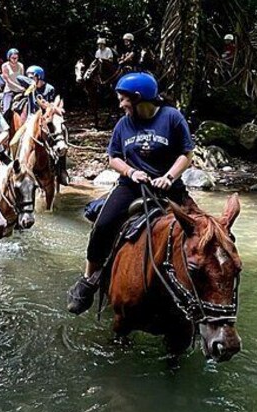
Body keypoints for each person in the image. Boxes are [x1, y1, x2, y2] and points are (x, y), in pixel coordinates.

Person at [66, 72, 195, 315]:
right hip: (131, 185)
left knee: (203, 232)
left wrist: (169, 177)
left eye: (123, 99)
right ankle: (88, 280)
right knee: (103, 226)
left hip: (169, 187)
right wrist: (131, 172)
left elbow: (186, 153)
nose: (120, 104)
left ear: (138, 98)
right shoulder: (124, 123)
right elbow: (113, 157)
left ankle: (203, 295)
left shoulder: (172, 118)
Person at [0, 48, 26, 113]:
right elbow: (8, 80)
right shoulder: (5, 66)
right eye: (13, 58)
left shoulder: (21, 65)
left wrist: (24, 87)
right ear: (9, 57)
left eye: (16, 58)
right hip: (9, 90)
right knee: (6, 110)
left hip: (20, 91)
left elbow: (22, 78)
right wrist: (19, 87)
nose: (15, 59)